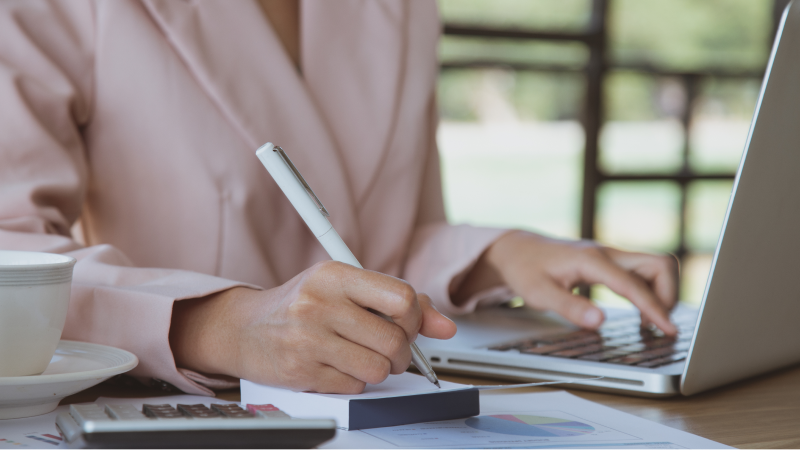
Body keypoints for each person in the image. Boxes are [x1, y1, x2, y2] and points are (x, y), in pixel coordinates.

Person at [0, 0, 677, 396]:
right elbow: (11, 250)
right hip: (174, 405)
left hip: (366, 402)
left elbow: (373, 238)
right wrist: (218, 325)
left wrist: (500, 255)